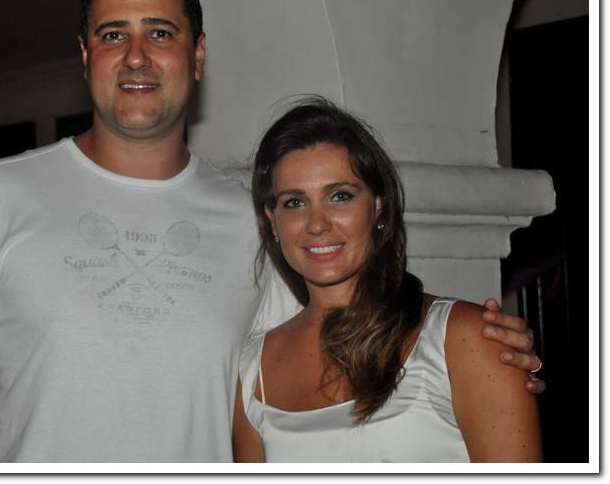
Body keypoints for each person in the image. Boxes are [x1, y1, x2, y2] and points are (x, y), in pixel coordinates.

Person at [0, 0, 543, 463]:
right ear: (85, 55)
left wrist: (473, 346)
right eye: (113, 34)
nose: (136, 56)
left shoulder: (254, 216)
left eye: (160, 33)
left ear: (197, 55)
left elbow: (336, 321)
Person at [232, 96, 542, 462]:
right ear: (272, 221)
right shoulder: (252, 371)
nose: (317, 224)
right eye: (295, 203)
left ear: (378, 207)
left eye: (340, 196)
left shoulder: (467, 339)